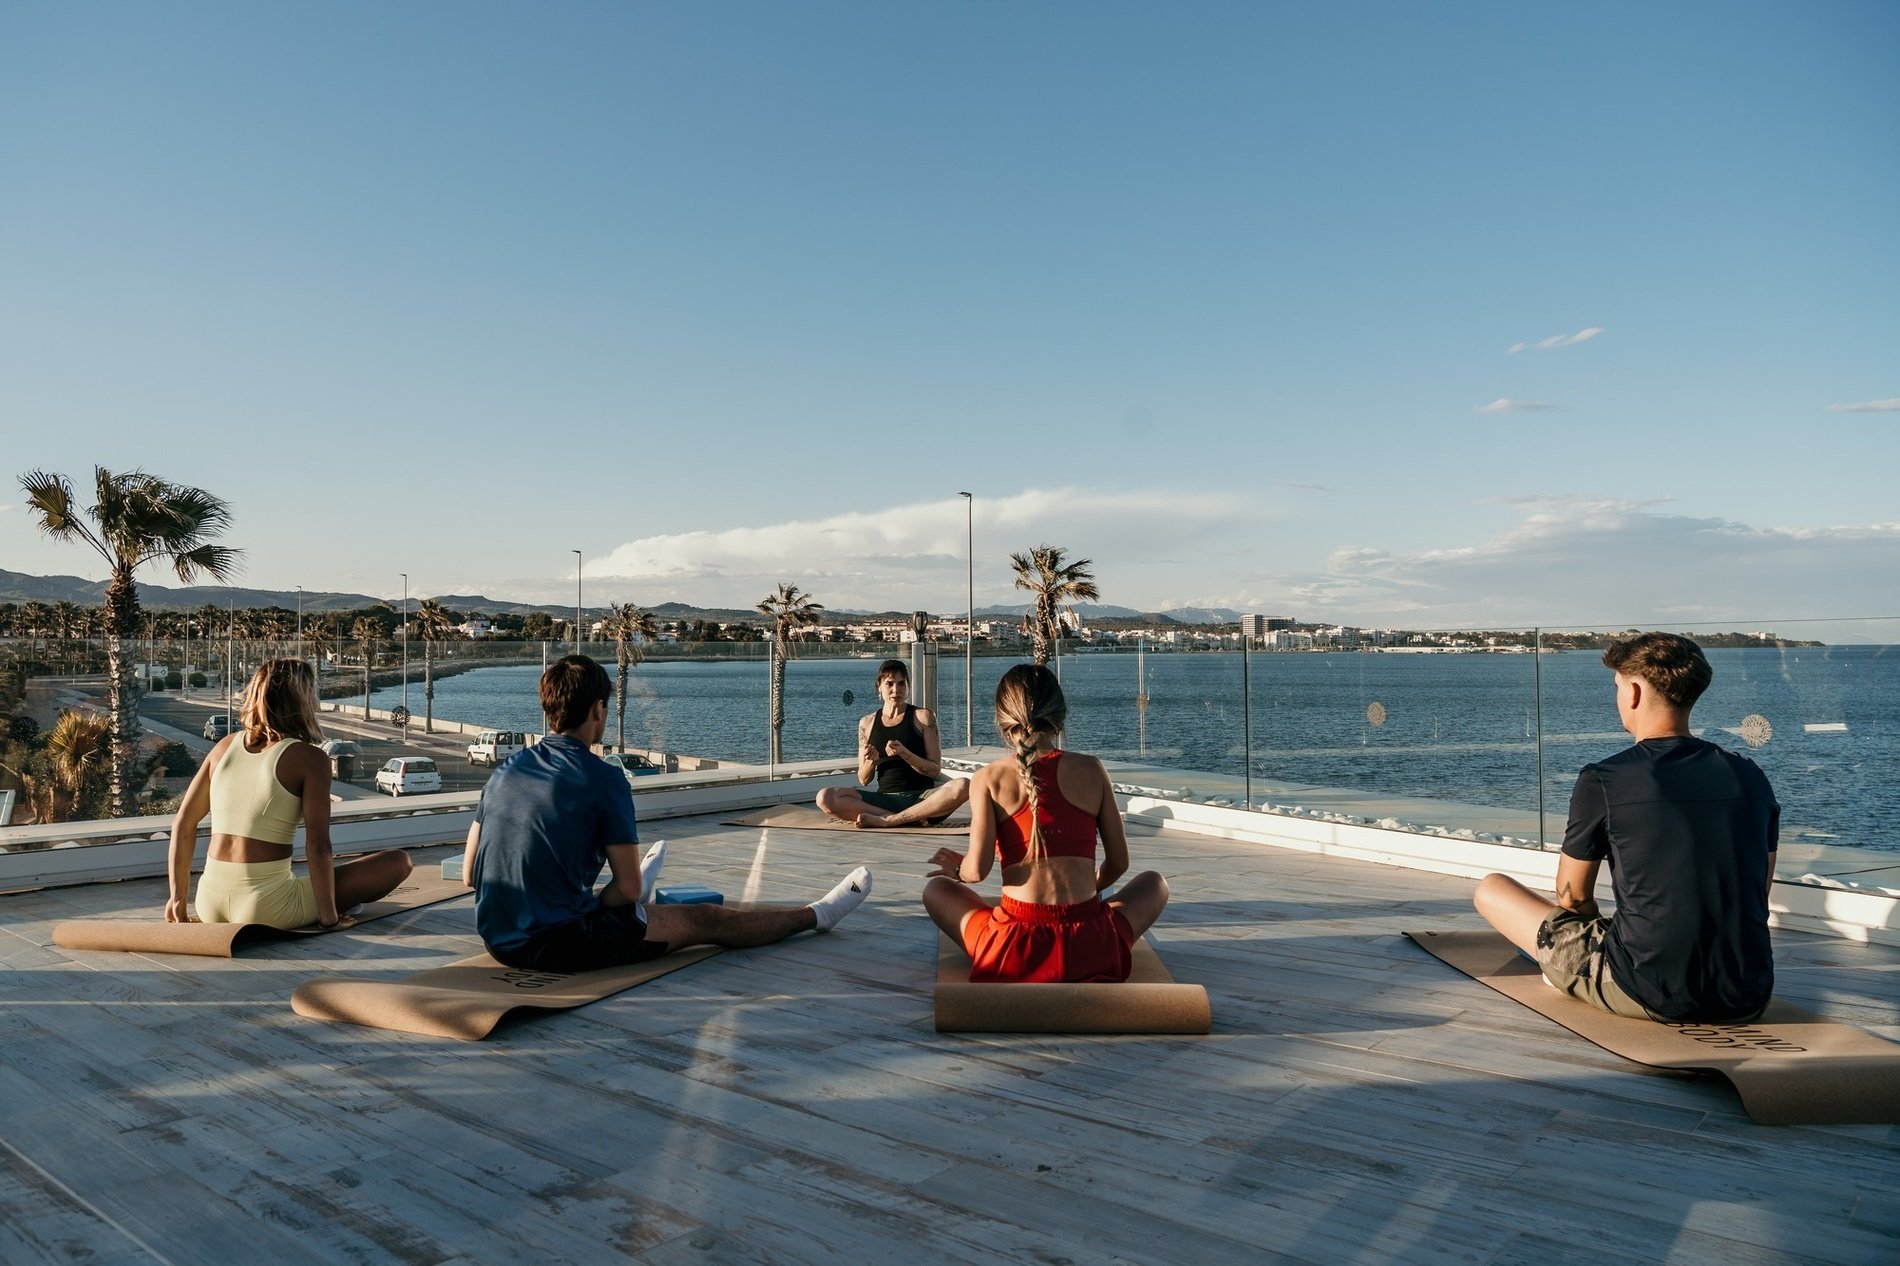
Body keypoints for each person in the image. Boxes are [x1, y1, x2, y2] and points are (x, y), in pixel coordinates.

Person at [463, 654, 872, 973]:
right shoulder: (603, 779)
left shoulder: (504, 770)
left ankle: (636, 903)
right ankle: (817, 916)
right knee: (706, 919)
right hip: (554, 945)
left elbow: (470, 874)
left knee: (613, 893)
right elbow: (623, 887)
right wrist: (621, 899)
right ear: (598, 710)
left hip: (496, 938)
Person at [1474, 632, 1778, 1023]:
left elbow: (1573, 900)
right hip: (1748, 991)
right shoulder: (1749, 775)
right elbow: (1758, 892)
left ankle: (1566, 973)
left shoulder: (1604, 778)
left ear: (1633, 692)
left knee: (1491, 889)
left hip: (1648, 989)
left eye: (1617, 686)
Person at [921, 663, 1169, 982]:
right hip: (1091, 948)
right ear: (1060, 716)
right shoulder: (1093, 769)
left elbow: (977, 872)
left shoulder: (986, 779)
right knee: (1154, 884)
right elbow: (1119, 863)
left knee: (937, 889)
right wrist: (1079, 892)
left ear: (1001, 721)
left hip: (1014, 952)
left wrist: (958, 869)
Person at [166, 659, 411, 930]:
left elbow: (183, 825)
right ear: (302, 701)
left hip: (209, 903)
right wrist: (328, 917)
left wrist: (178, 899)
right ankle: (337, 903)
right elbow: (318, 846)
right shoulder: (310, 758)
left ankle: (335, 899)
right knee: (397, 862)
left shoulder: (223, 747)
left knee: (318, 881)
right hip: (268, 908)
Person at [815, 658, 970, 829]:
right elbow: (864, 779)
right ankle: (894, 817)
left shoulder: (923, 717)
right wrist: (871, 762)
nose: (896, 690)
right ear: (879, 687)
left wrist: (905, 754)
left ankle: (891, 821)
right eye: (889, 684)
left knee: (963, 785)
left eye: (901, 684)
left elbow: (934, 771)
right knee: (825, 797)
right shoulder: (866, 723)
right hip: (884, 801)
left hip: (924, 800)